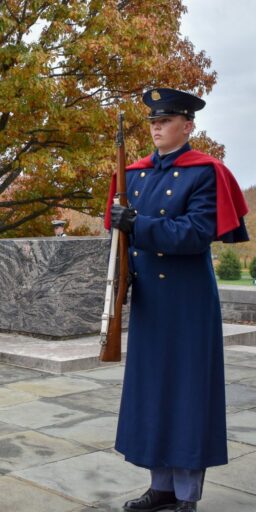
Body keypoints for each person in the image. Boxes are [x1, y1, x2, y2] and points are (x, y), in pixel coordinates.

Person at [108, 88, 249, 512]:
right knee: (154, 394)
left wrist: (137, 223)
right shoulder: (134, 173)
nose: (156, 126)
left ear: (187, 126)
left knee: (187, 395)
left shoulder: (204, 172)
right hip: (151, 302)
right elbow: (122, 245)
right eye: (153, 120)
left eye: (166, 120)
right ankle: (161, 488)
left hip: (187, 303)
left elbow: (193, 235)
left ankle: (186, 496)